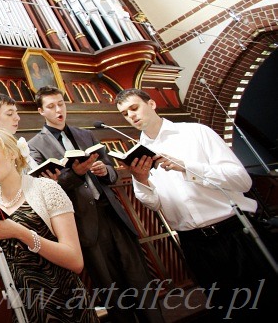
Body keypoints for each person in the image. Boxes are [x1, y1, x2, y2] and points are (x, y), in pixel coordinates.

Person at [115, 88, 277, 320]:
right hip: (195, 244)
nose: (131, 116)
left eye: (134, 108)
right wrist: (141, 181)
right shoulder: (139, 154)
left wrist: (187, 167)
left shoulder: (195, 133)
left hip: (234, 232)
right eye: (124, 114)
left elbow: (242, 180)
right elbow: (154, 204)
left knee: (267, 300)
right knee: (227, 310)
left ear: (151, 104)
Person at [28, 86, 163, 323]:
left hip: (113, 215)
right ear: (41, 111)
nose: (59, 109)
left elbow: (113, 173)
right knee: (111, 290)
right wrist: (76, 174)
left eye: (61, 103)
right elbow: (45, 190)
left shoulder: (85, 135)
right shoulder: (35, 146)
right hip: (82, 224)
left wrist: (104, 170)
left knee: (140, 280)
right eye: (51, 106)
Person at [0, 128, 98, 322]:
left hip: (66, 303)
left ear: (12, 154)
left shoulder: (46, 188)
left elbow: (75, 261)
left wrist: (20, 232)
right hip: (26, 308)